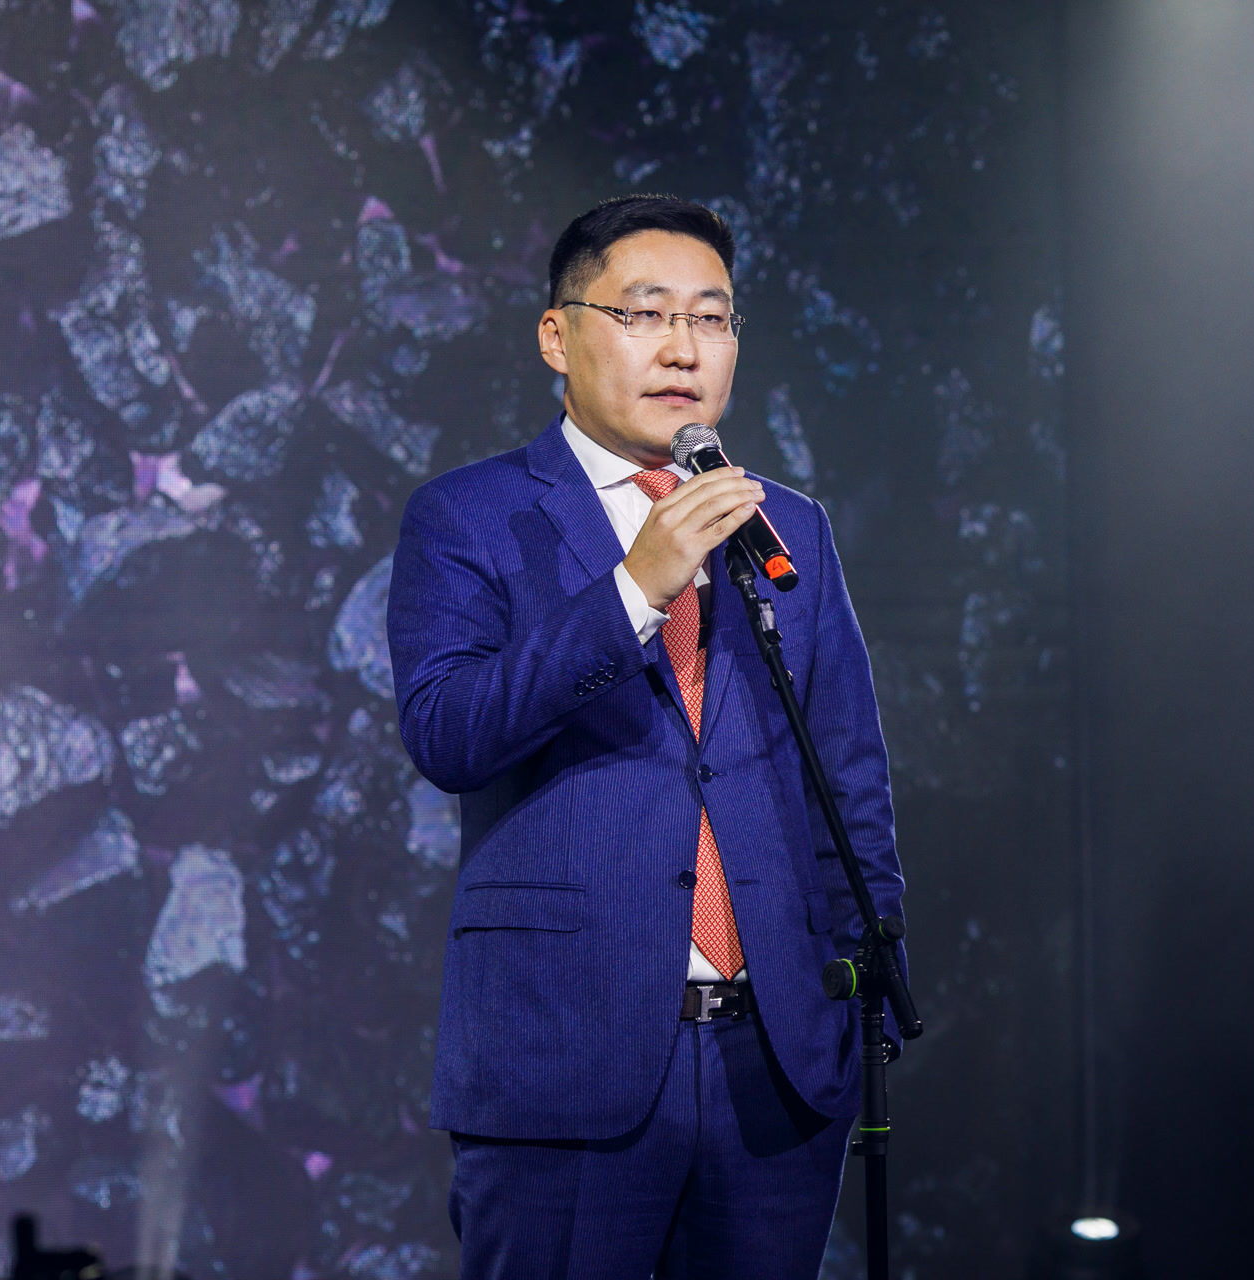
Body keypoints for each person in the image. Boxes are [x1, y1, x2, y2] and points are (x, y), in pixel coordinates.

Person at [386, 194, 905, 1279]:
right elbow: (448, 732)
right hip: (567, 1055)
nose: (683, 347)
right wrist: (636, 588)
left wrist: (864, 981)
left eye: (711, 318)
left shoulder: (787, 526)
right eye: (645, 313)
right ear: (557, 335)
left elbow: (847, 769)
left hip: (777, 1065)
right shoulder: (470, 514)